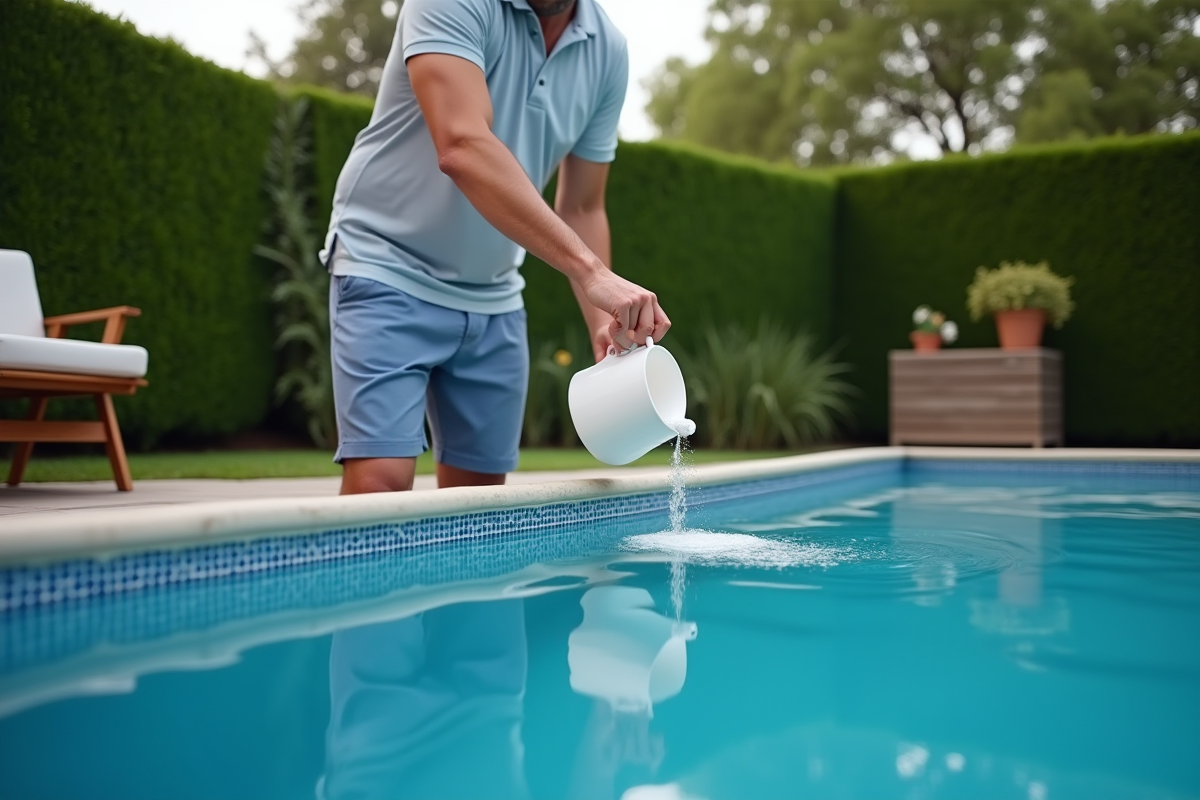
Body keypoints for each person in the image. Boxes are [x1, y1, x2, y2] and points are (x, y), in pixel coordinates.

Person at [322, 0, 671, 496]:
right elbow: (462, 143)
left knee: (481, 505)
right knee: (381, 485)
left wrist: (604, 324)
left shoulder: (608, 50)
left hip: (494, 295)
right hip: (388, 265)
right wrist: (592, 273)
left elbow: (583, 206)